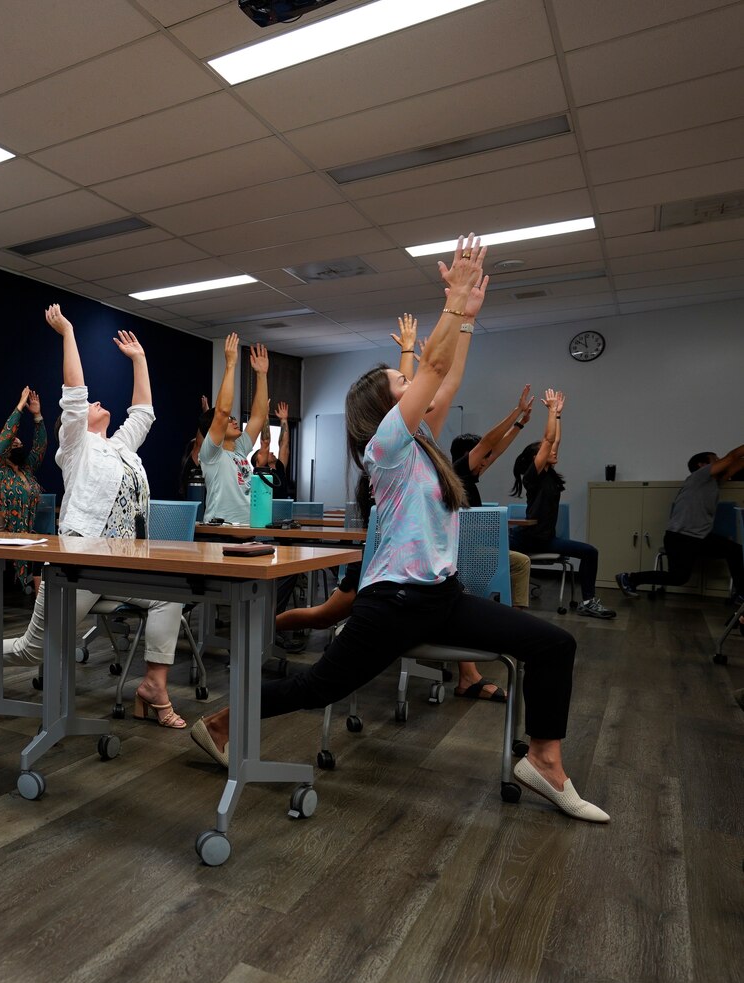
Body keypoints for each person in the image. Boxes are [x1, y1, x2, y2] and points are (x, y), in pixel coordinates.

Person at [190, 235, 609, 824]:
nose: (416, 387)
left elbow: (448, 377)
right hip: (392, 602)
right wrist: (455, 305)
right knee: (317, 689)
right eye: (400, 383)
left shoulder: (424, 447)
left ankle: (544, 760)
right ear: (384, 409)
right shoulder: (386, 448)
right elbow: (433, 368)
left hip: (441, 595)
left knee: (553, 644)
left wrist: (466, 325)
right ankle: (223, 721)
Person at [0, 307, 189, 728]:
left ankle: (152, 686)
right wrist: (68, 333)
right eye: (91, 406)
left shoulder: (121, 448)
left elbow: (144, 413)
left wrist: (140, 359)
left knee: (171, 592)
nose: (96, 403)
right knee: (32, 649)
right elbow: (75, 394)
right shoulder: (75, 447)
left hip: (124, 564)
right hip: (81, 566)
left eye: (96, 403)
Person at [444, 384, 538, 699]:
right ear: (468, 457)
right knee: (479, 584)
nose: (487, 462)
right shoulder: (457, 471)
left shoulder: (469, 475)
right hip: (459, 556)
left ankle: (515, 626)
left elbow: (496, 449)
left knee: (519, 561)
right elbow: (488, 444)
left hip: (471, 552)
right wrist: (514, 411)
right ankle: (499, 637)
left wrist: (521, 424)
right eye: (482, 458)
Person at [509, 393, 617, 619]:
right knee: (490, 550)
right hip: (526, 538)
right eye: (546, 451)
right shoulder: (533, 476)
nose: (554, 451)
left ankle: (588, 602)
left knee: (589, 553)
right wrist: (550, 412)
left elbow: (554, 441)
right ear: (536, 458)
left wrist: (558, 415)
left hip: (545, 538)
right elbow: (548, 440)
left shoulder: (549, 476)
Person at [617, 445, 744, 604]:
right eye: (716, 459)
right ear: (702, 465)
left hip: (699, 538)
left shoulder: (713, 483)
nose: (721, 461)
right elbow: (732, 457)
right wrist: (730, 459)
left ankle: (741, 594)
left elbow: (737, 463)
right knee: (678, 578)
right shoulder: (700, 476)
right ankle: (629, 578)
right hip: (681, 538)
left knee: (735, 550)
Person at [200, 334, 270, 523]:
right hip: (221, 533)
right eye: (229, 420)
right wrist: (231, 364)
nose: (234, 420)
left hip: (247, 530)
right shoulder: (212, 454)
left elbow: (258, 416)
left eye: (234, 418)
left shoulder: (239, 449)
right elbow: (222, 411)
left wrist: (262, 375)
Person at [0, 386, 47, 592]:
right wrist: (20, 406)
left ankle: (41, 603)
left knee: (45, 548)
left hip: (25, 533)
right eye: (15, 443)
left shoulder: (26, 469)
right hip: (0, 533)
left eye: (20, 443)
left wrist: (37, 416)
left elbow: (39, 447)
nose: (18, 444)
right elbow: (6, 436)